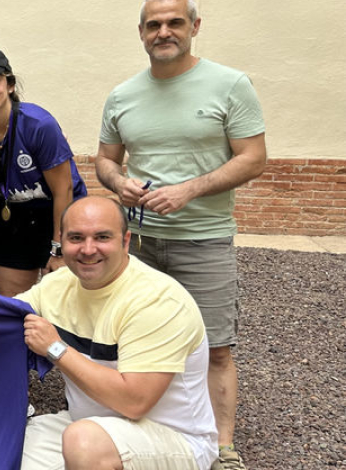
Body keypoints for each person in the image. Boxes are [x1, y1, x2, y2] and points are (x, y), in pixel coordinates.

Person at [95, 0, 266, 470]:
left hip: (204, 239)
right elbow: (106, 160)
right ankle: (141, 426)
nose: (163, 32)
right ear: (142, 33)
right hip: (140, 243)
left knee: (214, 346)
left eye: (173, 22)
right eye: (153, 25)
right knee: (133, 337)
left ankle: (222, 447)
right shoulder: (123, 95)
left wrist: (190, 190)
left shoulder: (229, 85)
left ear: (195, 26)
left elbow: (254, 157)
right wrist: (119, 183)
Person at [18, 196, 219, 470]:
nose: (88, 249)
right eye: (76, 238)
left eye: (102, 237)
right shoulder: (55, 285)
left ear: (125, 241)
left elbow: (134, 402)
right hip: (88, 421)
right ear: (60, 242)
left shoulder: (157, 300)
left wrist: (56, 349)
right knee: (4, 444)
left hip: (172, 439)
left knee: (84, 442)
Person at [0, 50, 87, 297]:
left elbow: (63, 190)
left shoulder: (39, 125)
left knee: (63, 296)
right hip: (15, 215)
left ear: (9, 85)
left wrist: (59, 248)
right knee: (10, 299)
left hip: (61, 214)